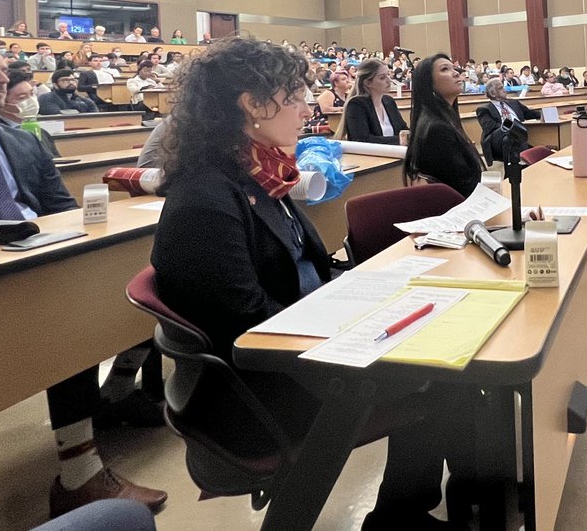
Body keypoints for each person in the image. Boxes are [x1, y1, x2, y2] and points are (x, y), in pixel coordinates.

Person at [150, 37, 450, 528]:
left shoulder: (258, 173)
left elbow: (305, 267)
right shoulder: (205, 197)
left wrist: (376, 291)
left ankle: (405, 510)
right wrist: (356, 324)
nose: (307, 106)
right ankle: (407, 514)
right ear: (252, 104)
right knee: (451, 375)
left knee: (440, 340)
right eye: (294, 95)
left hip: (297, 346)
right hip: (262, 388)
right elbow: (246, 323)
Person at [0, 34, 166, 517]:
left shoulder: (22, 141)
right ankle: (80, 471)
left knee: (149, 285)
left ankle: (116, 395)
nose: (3, 78)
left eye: (2, 70)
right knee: (69, 321)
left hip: (44, 262)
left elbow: (62, 210)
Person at [404, 54, 484, 196]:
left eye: (453, 68)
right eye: (445, 69)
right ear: (429, 83)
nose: (456, 73)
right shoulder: (437, 128)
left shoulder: (440, 119)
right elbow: (463, 184)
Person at [341, 59, 409, 145]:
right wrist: (402, 140)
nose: (389, 80)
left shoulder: (389, 101)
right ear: (368, 83)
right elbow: (363, 140)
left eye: (388, 75)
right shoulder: (357, 105)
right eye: (382, 77)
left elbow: (403, 129)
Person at [475, 76, 541, 164]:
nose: (504, 90)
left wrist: (544, 113)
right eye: (500, 88)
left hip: (519, 133)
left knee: (516, 135)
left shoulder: (514, 103)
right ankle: (524, 160)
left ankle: (527, 159)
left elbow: (529, 113)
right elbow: (489, 127)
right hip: (497, 138)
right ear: (493, 93)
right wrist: (511, 124)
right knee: (510, 133)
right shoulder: (484, 109)